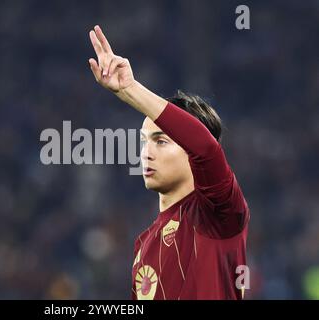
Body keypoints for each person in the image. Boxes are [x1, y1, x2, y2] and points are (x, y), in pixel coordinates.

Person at [88, 25, 250, 300]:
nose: (146, 152)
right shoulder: (143, 244)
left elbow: (205, 147)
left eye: (161, 141)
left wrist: (130, 89)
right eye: (144, 141)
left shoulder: (218, 213)